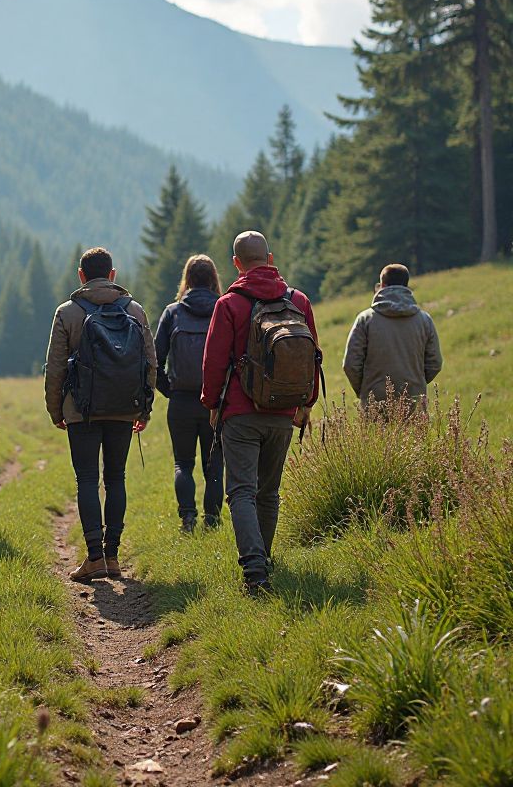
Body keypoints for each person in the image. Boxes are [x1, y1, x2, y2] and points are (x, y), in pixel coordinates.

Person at [201, 231, 320, 596]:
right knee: (268, 493)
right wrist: (305, 404)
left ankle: (255, 572)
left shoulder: (229, 304)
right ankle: (263, 561)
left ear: (236, 262)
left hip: (240, 411)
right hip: (284, 411)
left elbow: (214, 362)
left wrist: (211, 404)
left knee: (241, 491)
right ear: (269, 258)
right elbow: (312, 357)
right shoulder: (298, 300)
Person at [45, 247, 157, 583]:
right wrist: (144, 407)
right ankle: (113, 556)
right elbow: (150, 362)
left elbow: (54, 369)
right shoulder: (135, 310)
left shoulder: (67, 312)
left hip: (81, 410)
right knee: (116, 478)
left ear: (81, 275)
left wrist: (56, 410)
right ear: (113, 275)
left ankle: (93, 557)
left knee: (87, 480)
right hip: (124, 408)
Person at [155, 254, 223, 534]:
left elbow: (154, 359)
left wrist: (168, 390)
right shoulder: (223, 308)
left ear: (188, 279)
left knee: (183, 463)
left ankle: (188, 519)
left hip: (181, 400)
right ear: (213, 279)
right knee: (214, 465)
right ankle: (213, 521)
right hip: (215, 403)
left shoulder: (173, 312)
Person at [342, 263, 443, 412]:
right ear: (406, 285)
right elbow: (435, 363)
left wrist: (365, 391)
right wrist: (416, 385)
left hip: (374, 404)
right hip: (413, 403)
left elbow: (351, 364)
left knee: (376, 437)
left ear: (382, 284)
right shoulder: (424, 320)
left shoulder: (365, 319)